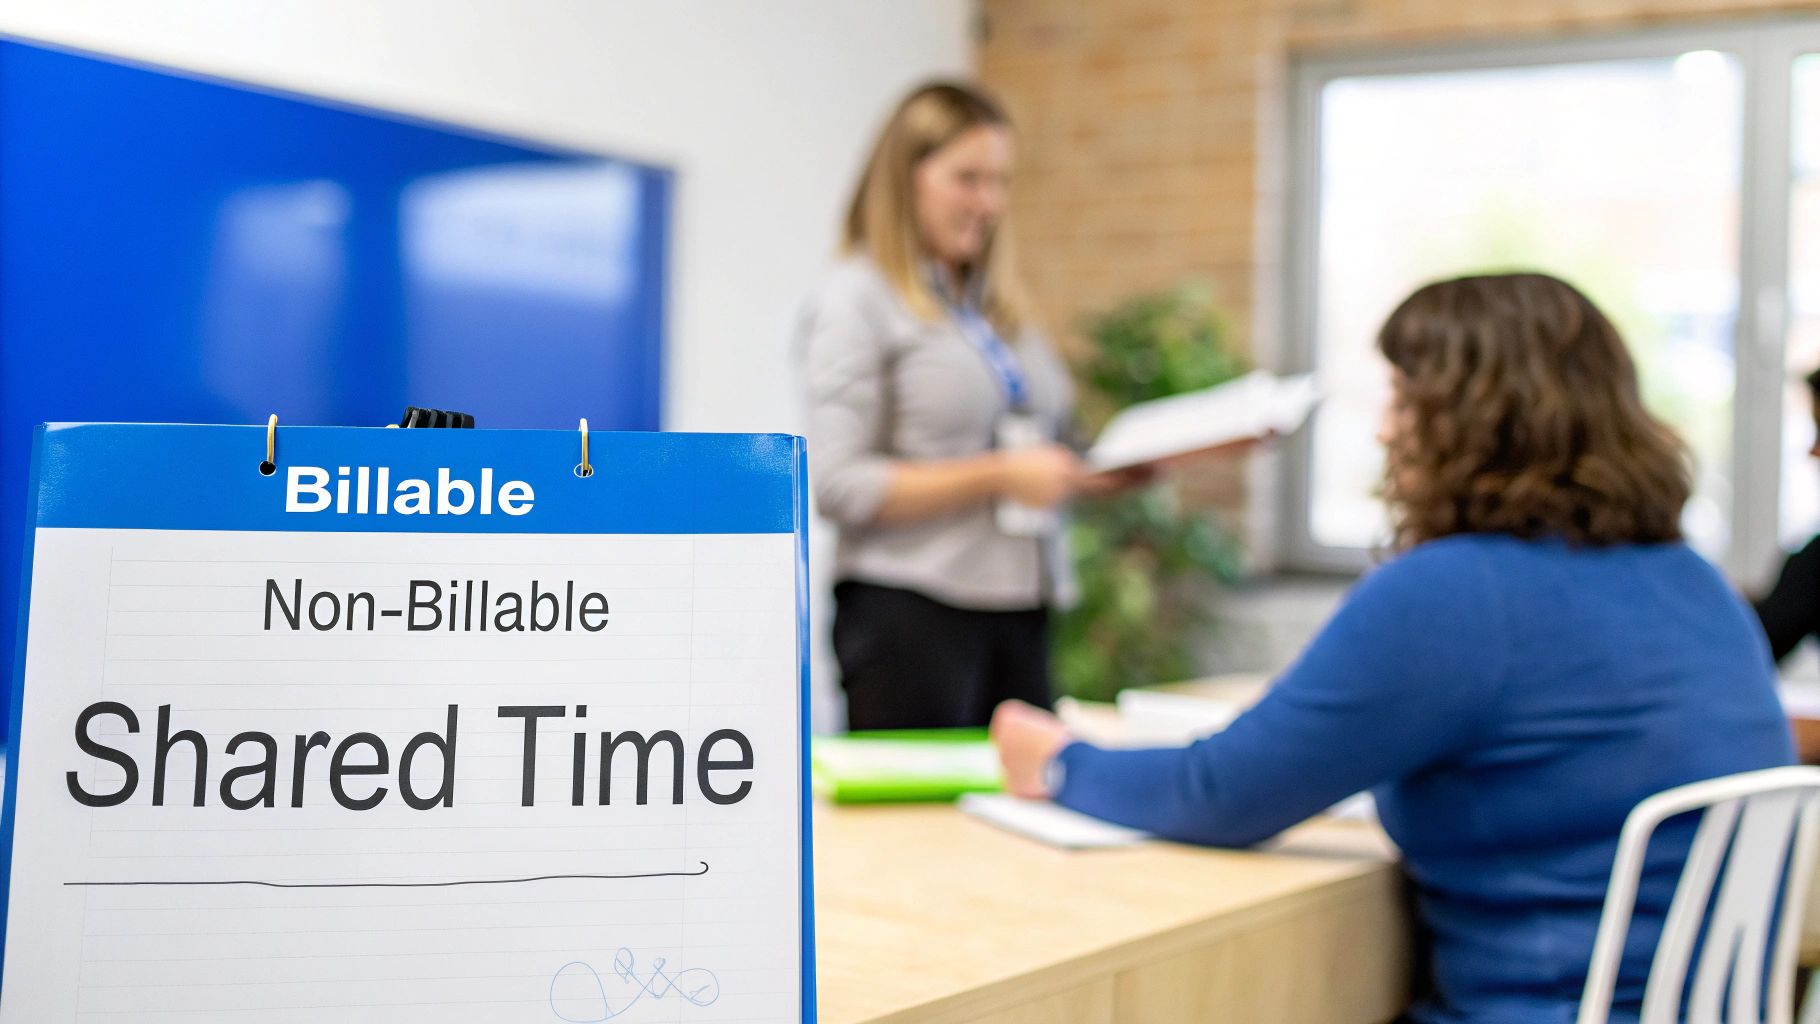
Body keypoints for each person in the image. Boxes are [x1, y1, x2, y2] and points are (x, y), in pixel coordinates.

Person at [991, 273, 1795, 1023]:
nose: (1384, 429)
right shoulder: (1695, 582)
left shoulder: (1454, 592)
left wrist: (1061, 762)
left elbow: (1222, 791)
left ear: (1476, 420)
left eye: (1406, 399)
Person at [801, 82, 1103, 731]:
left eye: (1000, 182)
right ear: (903, 180)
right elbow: (836, 482)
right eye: (968, 179)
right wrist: (998, 475)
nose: (989, 203)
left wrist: (1111, 469)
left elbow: (1049, 439)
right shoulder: (857, 299)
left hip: (1021, 607)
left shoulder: (995, 309)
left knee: (1031, 792)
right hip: (911, 612)